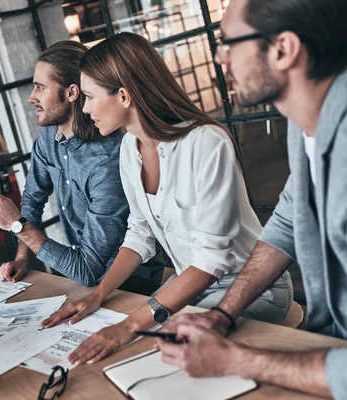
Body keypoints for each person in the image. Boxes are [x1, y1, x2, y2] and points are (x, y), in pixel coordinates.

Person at [41, 32, 293, 365]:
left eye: (89, 96)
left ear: (124, 96)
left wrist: (131, 325)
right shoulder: (129, 150)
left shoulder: (206, 143)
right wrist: (98, 295)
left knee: (148, 350)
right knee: (118, 343)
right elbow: (140, 232)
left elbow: (210, 259)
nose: (84, 110)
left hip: (249, 288)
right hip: (191, 286)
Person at [155, 0, 347, 398]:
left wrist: (232, 359)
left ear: (283, 49)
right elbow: (290, 220)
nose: (219, 58)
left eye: (228, 43)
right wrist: (223, 315)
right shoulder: (304, 125)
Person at [0, 40, 163, 291]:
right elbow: (32, 198)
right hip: (81, 272)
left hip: (129, 281)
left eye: (40, 88)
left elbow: (88, 269)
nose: (31, 97)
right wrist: (22, 258)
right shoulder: (49, 137)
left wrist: (17, 225)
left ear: (71, 93)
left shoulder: (106, 161)